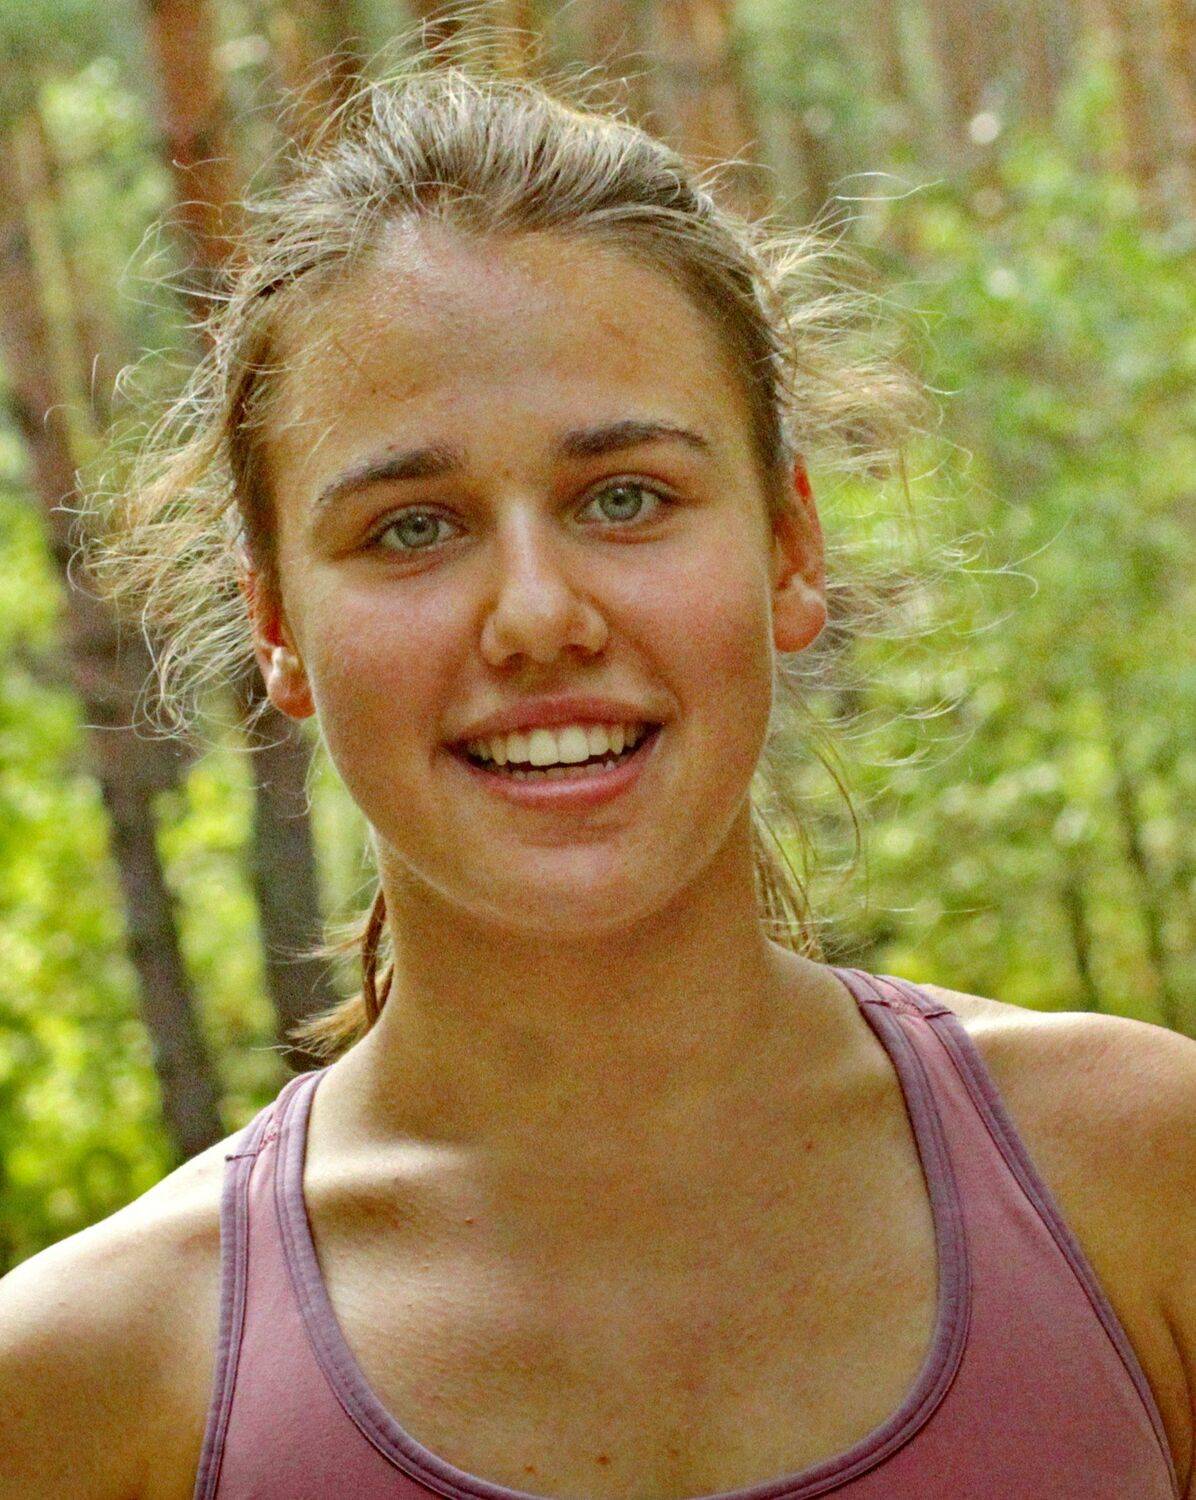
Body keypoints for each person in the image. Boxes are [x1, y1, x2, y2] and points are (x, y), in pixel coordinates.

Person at [1, 47, 1193, 1500]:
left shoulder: (1142, 1183)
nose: (537, 616)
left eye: (624, 497)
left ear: (789, 548)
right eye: (411, 526)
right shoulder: (92, 1376)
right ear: (277, 627)